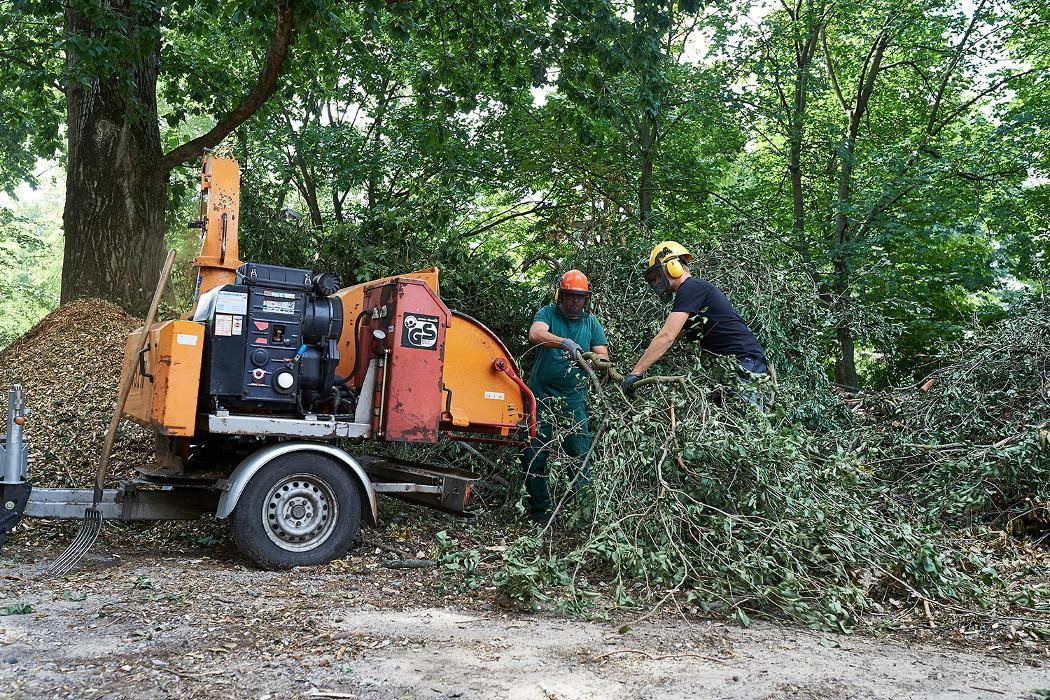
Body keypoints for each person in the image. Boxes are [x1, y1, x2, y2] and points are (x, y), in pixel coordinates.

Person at [621, 241, 767, 405]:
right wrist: (645, 360)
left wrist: (636, 372)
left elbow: (667, 336)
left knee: (745, 423)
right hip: (732, 365)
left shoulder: (691, 287)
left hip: (743, 363)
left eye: (658, 276)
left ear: (672, 265)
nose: (659, 283)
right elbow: (678, 337)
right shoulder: (691, 293)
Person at [521, 269, 610, 524]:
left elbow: (602, 355)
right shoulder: (547, 314)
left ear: (586, 299)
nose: (575, 302)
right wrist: (563, 342)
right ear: (561, 295)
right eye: (570, 296)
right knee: (534, 453)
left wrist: (593, 361)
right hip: (540, 395)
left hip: (574, 398)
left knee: (579, 454)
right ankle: (540, 513)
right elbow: (535, 333)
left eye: (580, 297)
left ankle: (580, 513)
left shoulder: (591, 323)